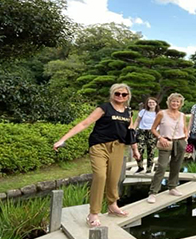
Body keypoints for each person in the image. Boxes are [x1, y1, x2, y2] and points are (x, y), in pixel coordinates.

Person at [53, 83, 139, 227]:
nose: (120, 97)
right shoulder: (104, 108)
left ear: (128, 97)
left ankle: (112, 205)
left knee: (113, 178)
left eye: (124, 94)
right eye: (117, 93)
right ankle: (93, 213)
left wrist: (135, 149)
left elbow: (130, 131)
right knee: (100, 176)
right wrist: (62, 139)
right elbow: (84, 123)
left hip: (118, 147)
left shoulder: (128, 112)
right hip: (99, 145)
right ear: (112, 94)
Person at [147, 93, 188, 203]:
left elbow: (185, 128)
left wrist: (186, 138)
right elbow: (153, 129)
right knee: (162, 166)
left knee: (176, 165)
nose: (175, 103)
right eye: (173, 101)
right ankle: (153, 192)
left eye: (177, 102)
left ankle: (172, 187)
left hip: (180, 142)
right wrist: (160, 138)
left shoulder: (182, 115)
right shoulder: (161, 113)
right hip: (166, 142)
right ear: (169, 102)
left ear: (180, 104)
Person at [130, 97, 158, 172]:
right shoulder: (143, 111)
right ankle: (140, 166)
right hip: (142, 131)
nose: (151, 104)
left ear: (156, 104)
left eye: (153, 102)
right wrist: (133, 129)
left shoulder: (158, 113)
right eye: (149, 103)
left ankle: (149, 168)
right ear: (147, 104)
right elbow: (137, 121)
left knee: (151, 151)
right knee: (139, 149)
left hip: (152, 132)